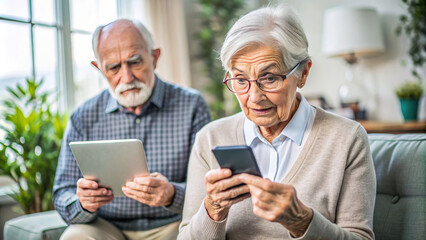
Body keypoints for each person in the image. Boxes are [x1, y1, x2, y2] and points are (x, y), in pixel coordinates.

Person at [178, 6, 376, 240]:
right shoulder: (210, 138)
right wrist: (213, 210)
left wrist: (302, 221)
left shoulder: (347, 138)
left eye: (269, 78)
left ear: (303, 73)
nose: (254, 97)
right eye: (240, 80)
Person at [53, 19, 211, 240]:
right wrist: (83, 203)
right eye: (114, 67)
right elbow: (62, 193)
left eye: (135, 62)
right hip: (106, 226)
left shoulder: (192, 105)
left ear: (154, 58)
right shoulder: (83, 116)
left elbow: (209, 188)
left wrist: (172, 194)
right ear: (99, 68)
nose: (126, 78)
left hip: (172, 224)